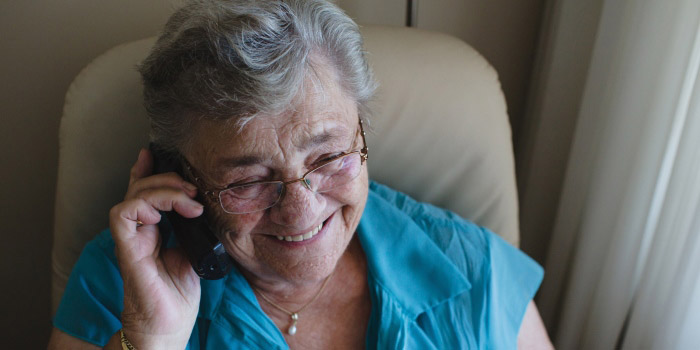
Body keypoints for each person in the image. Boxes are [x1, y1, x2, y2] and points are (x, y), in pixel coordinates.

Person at [48, 0, 553, 349]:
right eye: (247, 181)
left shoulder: (473, 271)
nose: (301, 209)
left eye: (329, 157)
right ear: (182, 178)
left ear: (363, 130)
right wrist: (151, 339)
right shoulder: (124, 278)